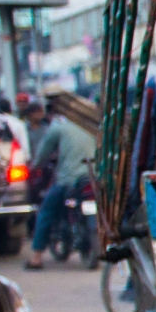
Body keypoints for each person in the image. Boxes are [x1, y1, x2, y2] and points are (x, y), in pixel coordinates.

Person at [26, 103, 97, 270]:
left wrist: (35, 165)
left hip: (69, 179)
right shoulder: (93, 126)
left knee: (45, 211)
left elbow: (43, 152)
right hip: (93, 178)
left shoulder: (58, 127)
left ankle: (36, 258)